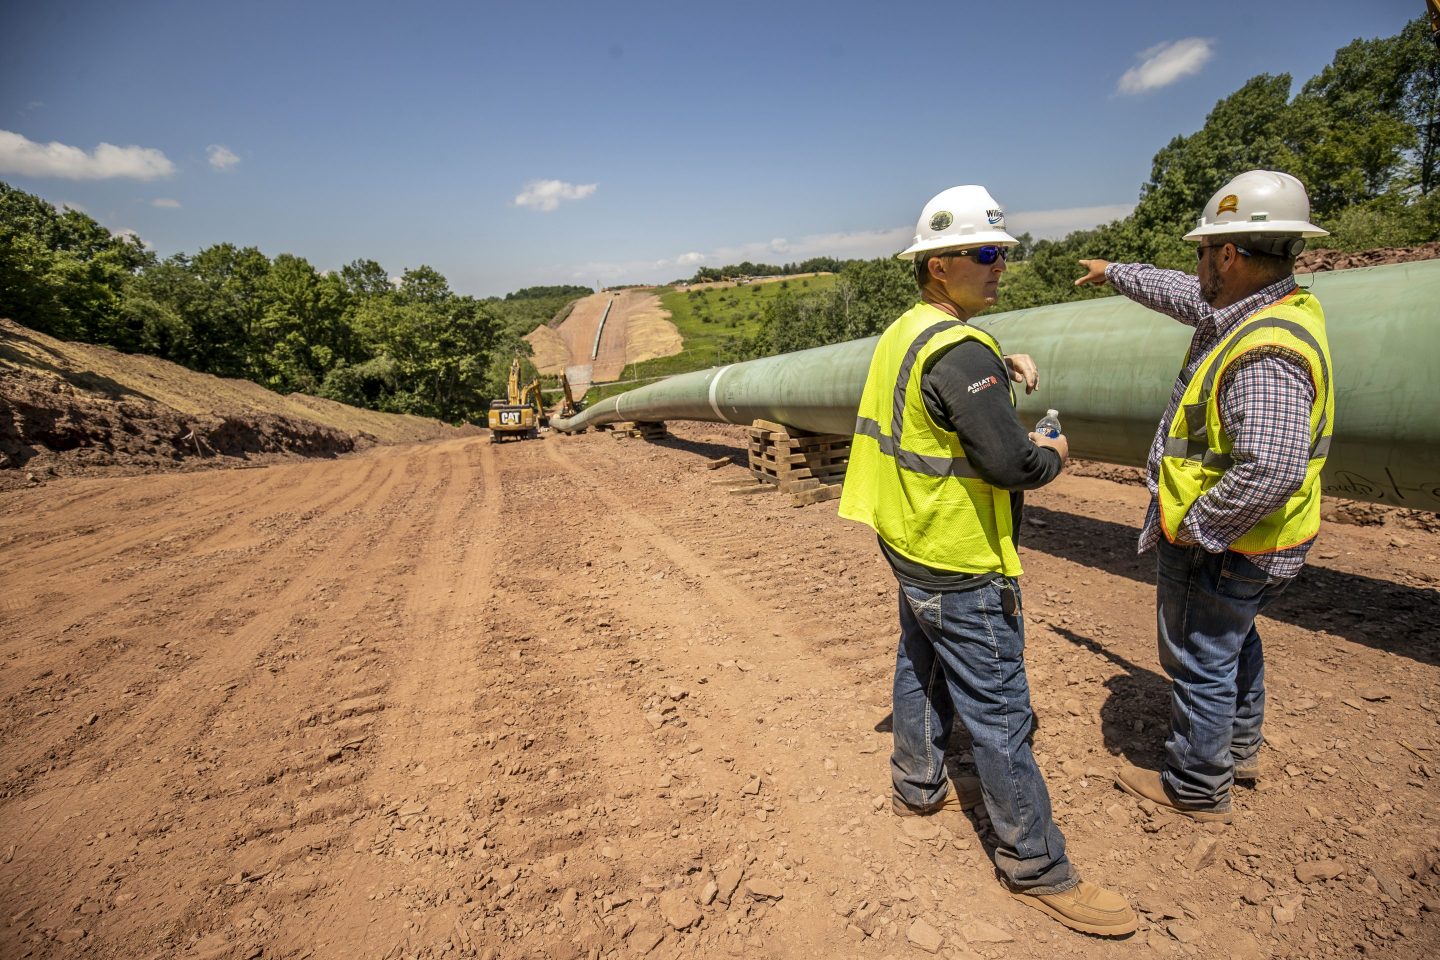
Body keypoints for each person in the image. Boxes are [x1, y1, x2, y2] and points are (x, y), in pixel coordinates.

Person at [839, 185, 1137, 937]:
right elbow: (1014, 466)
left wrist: (994, 365)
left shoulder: (910, 332)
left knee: (920, 663)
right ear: (940, 266)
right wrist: (1053, 452)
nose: (1001, 264)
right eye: (985, 253)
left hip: (909, 539)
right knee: (1000, 713)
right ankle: (1036, 867)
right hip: (962, 554)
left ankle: (918, 786)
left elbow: (936, 389)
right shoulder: (958, 351)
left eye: (1003, 251)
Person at [1074, 170, 1334, 824]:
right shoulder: (1262, 308)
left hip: (1228, 539)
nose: (1195, 267)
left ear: (1227, 255)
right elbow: (1179, 292)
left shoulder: (1265, 350)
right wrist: (1115, 272)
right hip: (1263, 538)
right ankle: (1239, 749)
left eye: (1202, 252)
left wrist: (1198, 527)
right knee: (1231, 638)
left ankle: (1195, 782)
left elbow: (1271, 467)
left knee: (1198, 654)